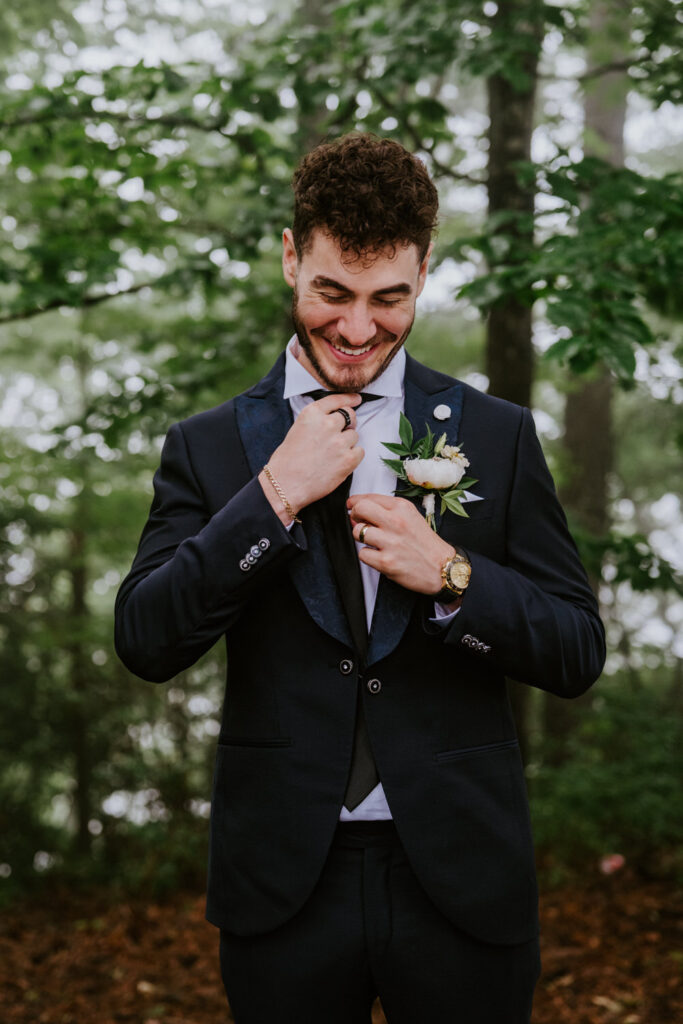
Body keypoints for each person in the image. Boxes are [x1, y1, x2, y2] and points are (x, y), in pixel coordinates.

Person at [115, 133, 605, 1024]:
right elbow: (146, 639)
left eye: (389, 299)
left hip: (460, 875)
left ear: (424, 273)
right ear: (290, 257)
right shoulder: (209, 445)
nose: (354, 329)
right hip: (283, 887)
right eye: (331, 292)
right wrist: (272, 497)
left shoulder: (496, 435)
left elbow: (575, 648)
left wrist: (451, 572)